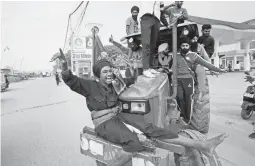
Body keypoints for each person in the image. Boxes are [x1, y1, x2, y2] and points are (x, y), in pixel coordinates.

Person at [50, 48, 228, 166]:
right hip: (104, 123)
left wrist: (142, 70)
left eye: (110, 70)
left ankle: (202, 146)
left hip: (119, 117)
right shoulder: (89, 86)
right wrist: (64, 65)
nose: (109, 73)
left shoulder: (115, 84)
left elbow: (132, 78)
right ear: (97, 76)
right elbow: (70, 80)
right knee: (133, 143)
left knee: (154, 129)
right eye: (105, 72)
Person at [176, 37, 226, 124]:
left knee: (188, 98)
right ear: (180, 46)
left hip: (188, 80)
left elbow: (206, 64)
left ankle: (187, 118)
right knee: (179, 97)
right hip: (178, 80)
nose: (184, 47)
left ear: (189, 46)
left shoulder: (194, 55)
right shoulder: (176, 56)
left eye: (186, 45)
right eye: (183, 45)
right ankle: (181, 115)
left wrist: (218, 70)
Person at [139, 1, 170, 78]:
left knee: (153, 44)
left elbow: (161, 11)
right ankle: (145, 69)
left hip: (156, 20)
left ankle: (150, 67)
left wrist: (166, 24)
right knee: (146, 43)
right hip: (146, 18)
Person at [190, 36, 211, 102]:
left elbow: (206, 59)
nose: (195, 41)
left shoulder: (199, 47)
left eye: (196, 39)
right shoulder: (184, 46)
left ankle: (200, 98)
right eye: (193, 39)